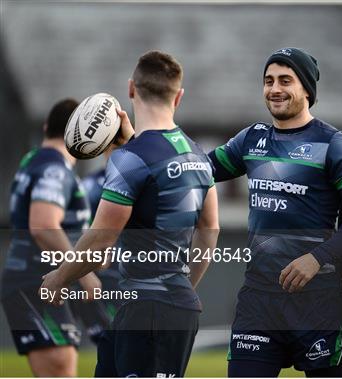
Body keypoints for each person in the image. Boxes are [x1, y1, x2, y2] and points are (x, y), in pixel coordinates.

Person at [40, 50, 219, 377]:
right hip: (164, 306)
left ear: (131, 89)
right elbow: (210, 230)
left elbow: (99, 242)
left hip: (145, 310)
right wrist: (182, 285)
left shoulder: (129, 159)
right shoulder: (198, 155)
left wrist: (58, 277)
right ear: (179, 96)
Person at [209, 47, 342, 377]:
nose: (274, 89)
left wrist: (317, 258)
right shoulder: (251, 140)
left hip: (318, 301)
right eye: (268, 80)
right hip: (258, 300)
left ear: (306, 89)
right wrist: (152, 142)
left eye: (285, 80)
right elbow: (200, 169)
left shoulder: (336, 145)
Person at [0, 98, 99, 376]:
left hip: (39, 280)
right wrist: (83, 273)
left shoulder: (36, 160)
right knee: (60, 368)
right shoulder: (55, 168)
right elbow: (44, 225)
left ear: (46, 127)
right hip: (36, 280)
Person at [70, 145, 123, 345]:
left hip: (135, 276)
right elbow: (76, 229)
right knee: (112, 343)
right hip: (102, 277)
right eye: (112, 147)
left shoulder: (144, 181)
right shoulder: (89, 186)